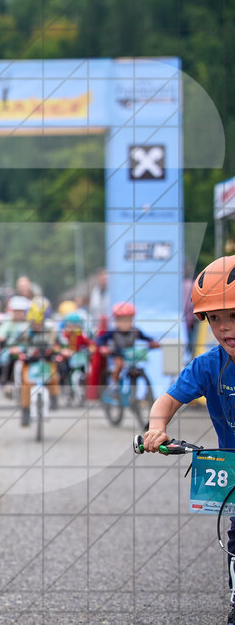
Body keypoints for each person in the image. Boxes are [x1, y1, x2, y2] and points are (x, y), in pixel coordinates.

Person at [142, 256, 235, 624]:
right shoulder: (209, 364)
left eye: (234, 316)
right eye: (215, 318)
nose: (225, 328)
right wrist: (156, 426)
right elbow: (168, 400)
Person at [15, 299, 61, 426]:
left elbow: (60, 343)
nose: (36, 325)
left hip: (46, 359)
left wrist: (60, 350)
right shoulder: (24, 330)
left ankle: (54, 397)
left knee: (53, 375)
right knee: (26, 383)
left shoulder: (51, 330)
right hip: (30, 361)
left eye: (39, 322)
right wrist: (16, 350)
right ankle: (25, 410)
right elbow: (16, 343)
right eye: (34, 322)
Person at [96, 302, 160, 387]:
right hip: (117, 353)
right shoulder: (113, 332)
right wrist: (102, 347)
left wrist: (152, 342)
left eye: (128, 320)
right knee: (119, 365)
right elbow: (100, 339)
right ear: (116, 321)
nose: (125, 323)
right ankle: (114, 385)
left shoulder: (135, 331)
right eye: (122, 320)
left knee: (137, 366)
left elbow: (145, 337)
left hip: (130, 354)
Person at [0, 296, 32, 399]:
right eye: (16, 311)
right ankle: (7, 380)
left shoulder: (28, 323)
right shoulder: (8, 321)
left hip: (25, 349)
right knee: (5, 358)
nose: (18, 314)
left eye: (21, 311)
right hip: (10, 349)